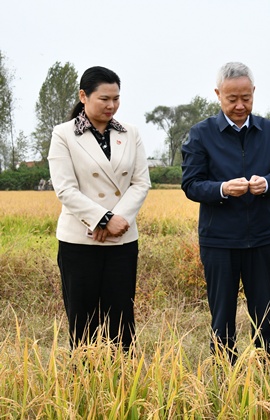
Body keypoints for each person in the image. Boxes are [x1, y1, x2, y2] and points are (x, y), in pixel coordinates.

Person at [181, 62, 270, 361]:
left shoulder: (269, 130)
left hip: (261, 236)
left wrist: (266, 183)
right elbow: (191, 184)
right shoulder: (201, 134)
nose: (240, 105)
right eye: (232, 99)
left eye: (246, 98)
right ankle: (225, 372)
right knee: (222, 313)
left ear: (253, 92)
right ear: (218, 94)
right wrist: (222, 189)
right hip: (219, 239)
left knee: (265, 311)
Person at [48, 66, 151, 351]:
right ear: (83, 96)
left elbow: (141, 182)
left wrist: (118, 220)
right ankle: (84, 376)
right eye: (104, 99)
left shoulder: (130, 133)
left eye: (116, 98)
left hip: (122, 239)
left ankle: (123, 375)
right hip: (79, 241)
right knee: (83, 320)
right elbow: (65, 189)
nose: (111, 105)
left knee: (121, 318)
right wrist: (103, 219)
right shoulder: (63, 134)